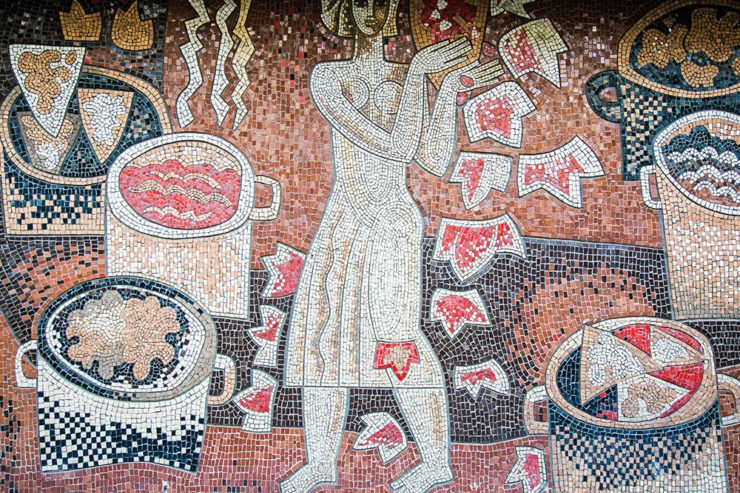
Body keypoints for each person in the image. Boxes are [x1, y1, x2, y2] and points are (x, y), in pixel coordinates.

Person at [280, 1, 499, 491]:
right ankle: (321, 462)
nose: (373, 11)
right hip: (344, 220)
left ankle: (436, 462)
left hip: (391, 225)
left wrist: (445, 89)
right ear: (343, 11)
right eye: (362, 2)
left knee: (399, 342)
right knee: (324, 339)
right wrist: (420, 73)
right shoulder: (330, 78)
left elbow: (433, 158)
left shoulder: (410, 75)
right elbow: (391, 145)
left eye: (382, 3)